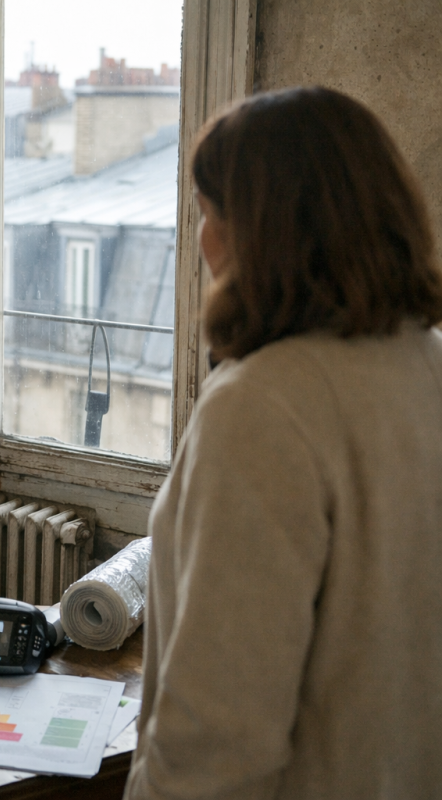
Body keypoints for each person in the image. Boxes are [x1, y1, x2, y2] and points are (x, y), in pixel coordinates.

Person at [125, 87, 442, 799]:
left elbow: (216, 747)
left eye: (208, 214)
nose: (202, 241)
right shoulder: (430, 362)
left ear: (256, 234)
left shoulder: (261, 407)